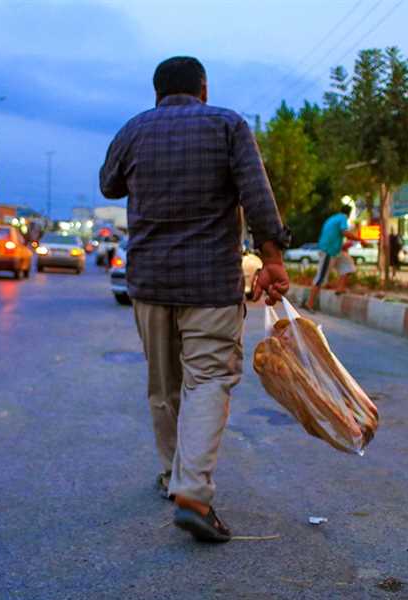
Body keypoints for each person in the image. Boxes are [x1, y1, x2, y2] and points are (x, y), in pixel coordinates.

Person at [99, 56, 290, 543]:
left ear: (157, 92)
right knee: (208, 381)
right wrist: (272, 260)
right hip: (210, 282)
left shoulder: (134, 129)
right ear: (203, 89)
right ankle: (192, 491)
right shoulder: (227, 124)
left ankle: (172, 477)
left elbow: (108, 183)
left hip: (150, 282)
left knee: (164, 386)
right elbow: (257, 195)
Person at [305, 205, 369, 311]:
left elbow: (337, 236)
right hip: (328, 251)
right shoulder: (343, 218)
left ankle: (340, 288)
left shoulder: (334, 218)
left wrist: (346, 244)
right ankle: (309, 304)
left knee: (348, 265)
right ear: (349, 213)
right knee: (321, 278)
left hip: (335, 250)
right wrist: (361, 240)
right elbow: (345, 233)